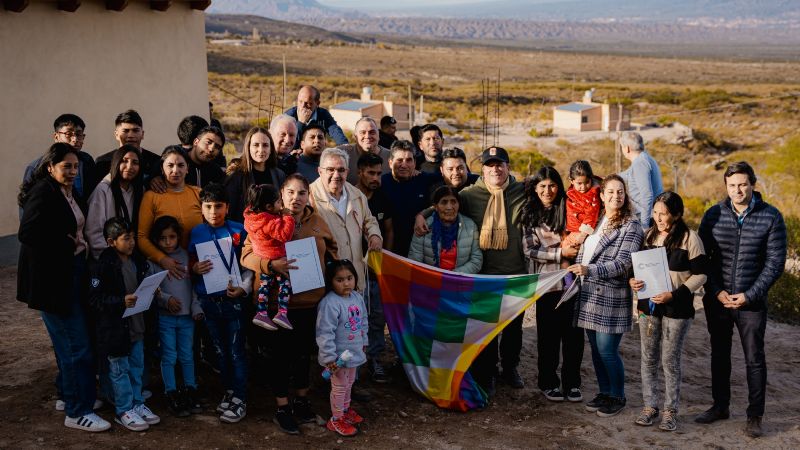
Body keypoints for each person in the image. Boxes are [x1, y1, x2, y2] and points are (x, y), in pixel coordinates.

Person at [415, 146, 527, 394]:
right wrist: (420, 215)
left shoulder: (522, 191)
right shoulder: (469, 194)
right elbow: (444, 205)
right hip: (483, 275)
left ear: (508, 167)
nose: (495, 169)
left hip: (515, 272)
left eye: (500, 164)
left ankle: (510, 368)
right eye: (490, 165)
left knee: (513, 329)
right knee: (485, 327)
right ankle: (488, 372)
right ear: (483, 170)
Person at [17, 143, 111, 432]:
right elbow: (28, 232)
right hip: (54, 283)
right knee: (75, 346)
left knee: (76, 343)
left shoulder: (68, 192)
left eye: (75, 167)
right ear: (50, 167)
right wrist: (63, 241)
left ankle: (74, 396)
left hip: (72, 275)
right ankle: (76, 411)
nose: (72, 171)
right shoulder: (43, 193)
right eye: (66, 166)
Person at [241, 174, 338, 435]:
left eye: (302, 193)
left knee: (303, 355)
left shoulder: (317, 221)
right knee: (279, 358)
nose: (296, 198)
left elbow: (333, 254)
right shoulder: (264, 220)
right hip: (274, 305)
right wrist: (271, 265)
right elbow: (246, 255)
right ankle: (282, 407)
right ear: (281, 194)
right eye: (291, 192)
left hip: (309, 302)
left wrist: (334, 282)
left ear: (309, 195)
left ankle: (302, 401)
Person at [695, 162, 786, 438]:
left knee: (754, 358)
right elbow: (703, 260)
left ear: (753, 184)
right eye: (732, 185)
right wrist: (716, 290)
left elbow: (775, 263)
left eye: (743, 184)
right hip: (719, 300)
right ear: (726, 186)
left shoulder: (771, 217)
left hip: (751, 303)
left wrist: (749, 295)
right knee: (719, 354)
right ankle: (720, 406)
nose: (738, 190)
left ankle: (754, 415)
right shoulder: (713, 215)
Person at [629, 191, 707, 432]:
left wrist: (675, 294)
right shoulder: (648, 235)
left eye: (663, 214)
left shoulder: (690, 238)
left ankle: (670, 411)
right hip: (648, 307)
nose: (658, 218)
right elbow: (637, 268)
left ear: (677, 214)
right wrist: (633, 281)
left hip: (677, 308)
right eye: (655, 213)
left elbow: (701, 274)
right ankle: (649, 407)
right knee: (648, 357)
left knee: (669, 360)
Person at [568, 174, 644, 418]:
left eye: (620, 192)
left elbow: (623, 263)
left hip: (611, 297)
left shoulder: (631, 225)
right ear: (601, 196)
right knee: (596, 350)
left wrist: (590, 270)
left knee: (608, 350)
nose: (616, 196)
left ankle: (618, 395)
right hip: (589, 294)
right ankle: (604, 392)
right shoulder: (598, 220)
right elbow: (585, 252)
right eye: (610, 192)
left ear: (625, 195)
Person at [88, 218, 160, 431]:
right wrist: (120, 301)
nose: (131, 243)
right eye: (125, 239)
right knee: (119, 370)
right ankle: (123, 409)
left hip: (136, 328)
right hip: (115, 332)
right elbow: (95, 300)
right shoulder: (102, 267)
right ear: (111, 242)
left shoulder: (137, 261)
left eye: (132, 238)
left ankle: (137, 403)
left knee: (136, 367)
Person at [189, 183, 253, 423]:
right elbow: (191, 264)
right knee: (219, 351)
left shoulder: (239, 230)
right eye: (208, 207)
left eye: (218, 206)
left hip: (233, 301)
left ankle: (240, 397)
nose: (214, 211)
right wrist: (194, 268)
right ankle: (229, 391)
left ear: (227, 207)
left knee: (236, 351)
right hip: (208, 301)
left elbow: (249, 266)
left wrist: (243, 289)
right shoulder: (196, 233)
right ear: (201, 209)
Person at [521, 166, 584, 403]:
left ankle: (573, 383)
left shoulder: (569, 210)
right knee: (548, 338)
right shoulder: (530, 216)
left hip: (573, 285)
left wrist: (570, 251)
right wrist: (561, 253)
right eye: (542, 186)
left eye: (552, 185)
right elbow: (530, 250)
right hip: (547, 286)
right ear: (535, 189)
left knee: (573, 339)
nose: (548, 191)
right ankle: (548, 381)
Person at [148, 216, 203, 418]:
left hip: (188, 317)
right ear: (156, 240)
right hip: (166, 318)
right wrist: (166, 299)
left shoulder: (187, 257)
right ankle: (170, 391)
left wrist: (196, 308)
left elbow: (194, 287)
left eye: (172, 237)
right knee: (169, 356)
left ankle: (191, 388)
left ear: (179, 237)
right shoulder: (155, 261)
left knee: (187, 354)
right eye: (163, 238)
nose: (168, 242)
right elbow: (152, 288)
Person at [309, 148, 382, 294]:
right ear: (320, 171)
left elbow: (369, 220)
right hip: (326, 280)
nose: (336, 175)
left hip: (354, 276)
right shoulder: (309, 196)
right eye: (330, 169)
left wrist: (374, 235)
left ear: (347, 172)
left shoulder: (357, 194)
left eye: (341, 170)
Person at [316, 259, 368, 437]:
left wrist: (364, 342)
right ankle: (336, 419)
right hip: (337, 358)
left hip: (354, 353)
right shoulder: (330, 303)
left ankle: (345, 411)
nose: (346, 283)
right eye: (340, 280)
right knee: (339, 387)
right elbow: (324, 332)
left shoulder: (357, 298)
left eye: (350, 278)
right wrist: (329, 356)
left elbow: (363, 322)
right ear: (331, 281)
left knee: (349, 383)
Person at [355, 152, 395, 382]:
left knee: (377, 316)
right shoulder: (350, 195)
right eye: (371, 173)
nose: (376, 178)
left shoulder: (382, 197)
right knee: (354, 317)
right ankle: (355, 363)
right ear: (360, 172)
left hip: (376, 270)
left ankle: (376, 359)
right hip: (352, 272)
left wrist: (383, 260)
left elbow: (388, 229)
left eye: (379, 173)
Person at [137, 147, 203, 280]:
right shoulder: (151, 196)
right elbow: (141, 237)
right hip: (166, 271)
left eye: (180, 165)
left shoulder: (199, 193)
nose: (175, 171)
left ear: (187, 168)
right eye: (170, 165)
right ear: (162, 169)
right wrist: (162, 259)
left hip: (200, 266)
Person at [244, 184, 296, 330]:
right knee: (285, 284)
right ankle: (282, 313)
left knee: (264, 286)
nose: (282, 204)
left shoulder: (252, 217)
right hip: (276, 257)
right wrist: (287, 217)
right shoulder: (270, 222)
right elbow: (285, 235)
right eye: (279, 202)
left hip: (263, 257)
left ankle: (261, 313)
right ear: (268, 207)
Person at [22, 114, 98, 210]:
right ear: (56, 136)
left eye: (79, 134)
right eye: (68, 134)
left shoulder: (87, 161)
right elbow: (26, 207)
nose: (74, 139)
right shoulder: (37, 167)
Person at [381, 140, 440, 257]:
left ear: (414, 163)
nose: (404, 165)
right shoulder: (381, 183)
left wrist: (422, 214)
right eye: (399, 160)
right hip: (388, 250)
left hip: (419, 252)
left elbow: (450, 180)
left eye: (409, 160)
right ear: (390, 162)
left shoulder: (424, 179)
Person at [86, 145, 144, 259]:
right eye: (124, 161)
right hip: (110, 259)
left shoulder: (140, 190)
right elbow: (94, 232)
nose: (130, 167)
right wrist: (112, 258)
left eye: (135, 163)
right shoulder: (103, 190)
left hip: (132, 257)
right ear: (116, 163)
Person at [408, 185, 482, 273]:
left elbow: (476, 260)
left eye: (453, 202)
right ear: (435, 206)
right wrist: (436, 278)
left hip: (459, 282)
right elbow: (415, 260)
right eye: (444, 202)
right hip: (430, 282)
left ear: (459, 204)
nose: (449, 207)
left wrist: (452, 276)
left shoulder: (470, 226)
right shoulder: (423, 226)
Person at [224, 126, 286, 223]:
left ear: (271, 149)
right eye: (256, 145)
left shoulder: (279, 175)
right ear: (248, 148)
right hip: (245, 232)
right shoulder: (237, 176)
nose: (261, 150)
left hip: (273, 230)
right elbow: (230, 212)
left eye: (265, 145)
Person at [94, 110, 162, 191]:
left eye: (135, 130)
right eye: (125, 131)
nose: (130, 135)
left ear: (142, 134)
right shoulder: (102, 163)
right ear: (116, 134)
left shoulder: (156, 162)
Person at [618, 131, 663, 230]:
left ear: (627, 148)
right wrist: (610, 177)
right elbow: (628, 174)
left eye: (622, 147)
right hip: (650, 215)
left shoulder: (640, 163)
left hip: (647, 218)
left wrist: (644, 226)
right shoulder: (644, 158)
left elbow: (647, 195)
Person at [338, 117, 391, 185]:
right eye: (363, 132)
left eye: (372, 132)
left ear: (378, 135)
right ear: (355, 136)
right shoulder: (342, 154)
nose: (367, 136)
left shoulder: (391, 157)